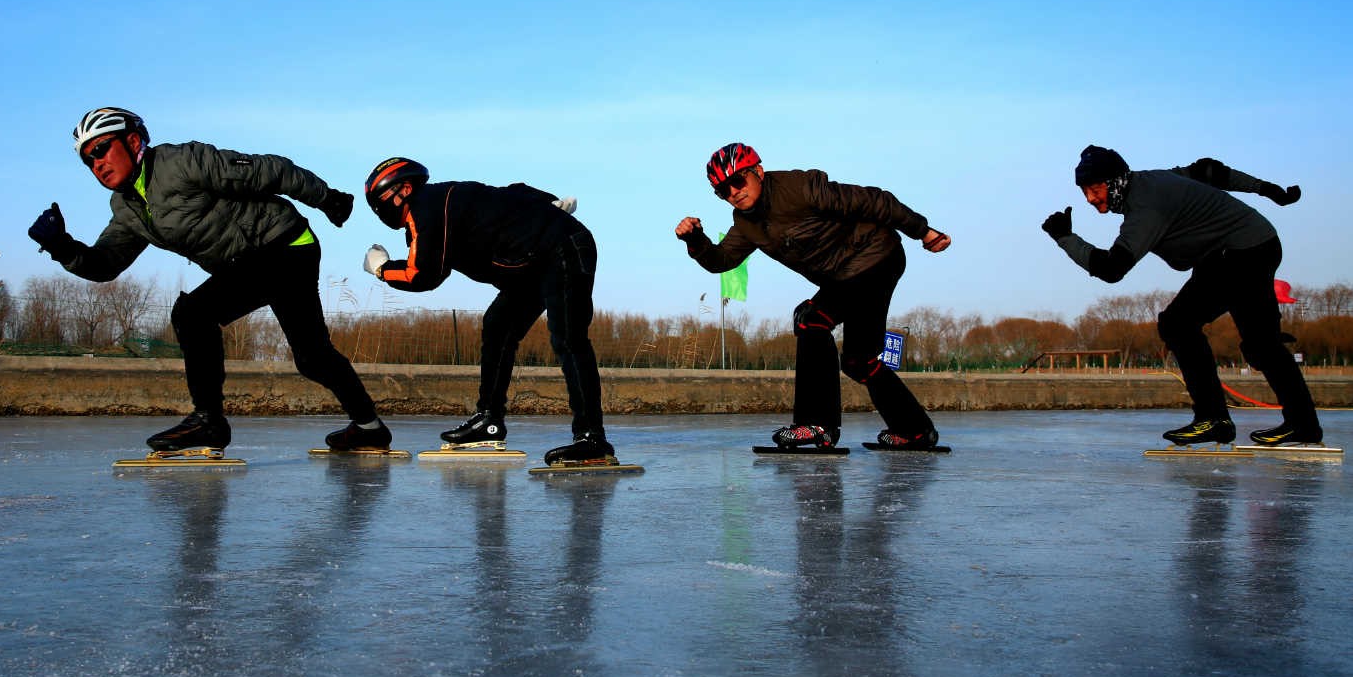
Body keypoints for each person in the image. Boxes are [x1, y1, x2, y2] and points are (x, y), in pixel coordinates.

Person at [27, 107, 391, 454]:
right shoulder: (126, 208)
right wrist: (61, 246)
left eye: (102, 149)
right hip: (252, 262)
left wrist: (326, 198)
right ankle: (370, 427)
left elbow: (269, 170)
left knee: (193, 313)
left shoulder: (182, 162)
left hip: (284, 245)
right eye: (88, 159)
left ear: (134, 142)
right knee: (312, 358)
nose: (97, 163)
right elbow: (105, 264)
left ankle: (209, 421)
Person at [674, 143, 952, 450]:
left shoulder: (801, 188)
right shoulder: (745, 224)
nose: (734, 193)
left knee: (811, 319)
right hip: (845, 277)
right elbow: (722, 261)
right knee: (859, 361)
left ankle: (818, 425)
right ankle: (915, 430)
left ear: (758, 172)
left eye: (738, 181)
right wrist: (695, 239)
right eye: (723, 190)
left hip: (874, 257)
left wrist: (923, 231)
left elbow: (876, 201)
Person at [1042, 145, 1319, 446]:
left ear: (1116, 181)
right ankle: (1295, 423)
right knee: (1257, 344)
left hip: (1241, 252)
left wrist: (1065, 238)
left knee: (1180, 325)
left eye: (1095, 188)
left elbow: (1111, 268)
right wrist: (1267, 190)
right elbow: (1209, 172)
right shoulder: (1154, 180)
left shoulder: (1146, 208)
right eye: (1085, 190)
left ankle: (1215, 419)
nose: (1090, 199)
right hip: (1239, 250)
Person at [360, 157, 615, 466]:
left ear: (405, 189)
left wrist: (382, 269)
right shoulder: (437, 204)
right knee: (497, 326)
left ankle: (592, 438)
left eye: (380, 201)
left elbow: (423, 275)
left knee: (568, 337)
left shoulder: (425, 206)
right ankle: (489, 421)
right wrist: (546, 201)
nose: (379, 210)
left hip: (562, 247)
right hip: (533, 262)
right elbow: (509, 191)